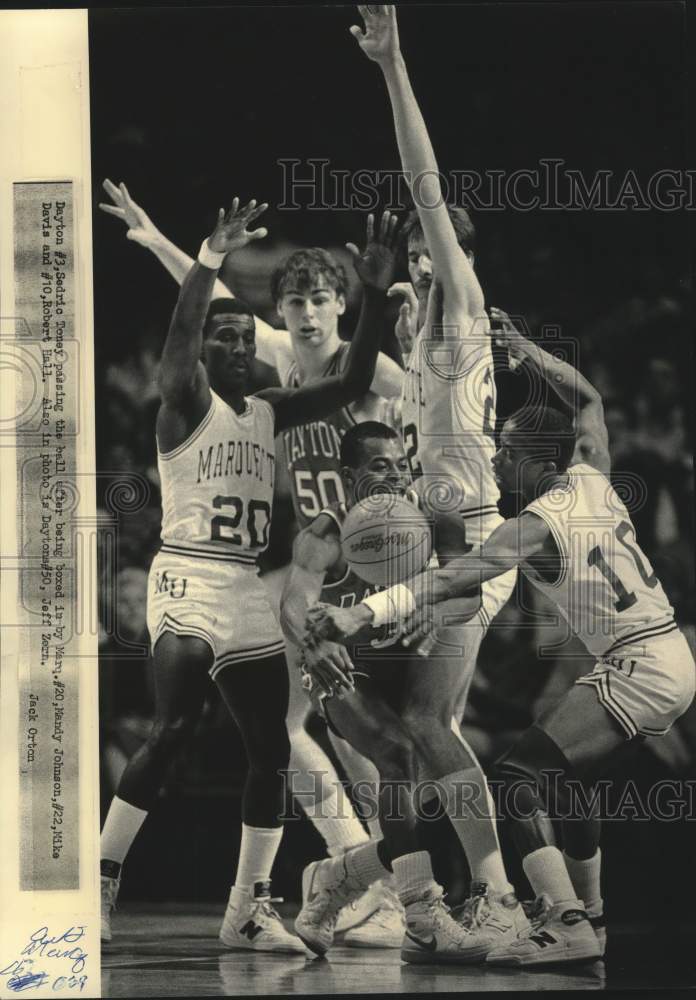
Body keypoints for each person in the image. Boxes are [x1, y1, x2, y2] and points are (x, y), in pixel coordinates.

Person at [99, 181, 405, 940]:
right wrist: (200, 255)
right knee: (175, 730)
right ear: (203, 352)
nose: (240, 345)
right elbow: (192, 320)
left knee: (275, 748)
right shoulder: (184, 398)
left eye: (246, 338)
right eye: (223, 339)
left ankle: (251, 906)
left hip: (267, 581)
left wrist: (374, 294)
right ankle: (100, 885)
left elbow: (356, 379)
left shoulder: (271, 406)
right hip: (189, 576)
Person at [308, 403, 696, 966]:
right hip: (663, 655)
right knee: (566, 786)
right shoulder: (590, 474)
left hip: (637, 663)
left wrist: (362, 614)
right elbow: (589, 403)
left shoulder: (532, 524)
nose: (496, 457)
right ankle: (589, 917)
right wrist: (536, 356)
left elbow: (455, 579)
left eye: (508, 451)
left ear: (539, 462)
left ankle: (558, 917)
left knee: (516, 779)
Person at [340, 2, 522, 938]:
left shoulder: (460, 310)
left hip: (475, 547)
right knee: (397, 728)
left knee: (427, 727)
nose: (418, 257)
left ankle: (493, 898)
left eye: (429, 248)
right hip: (431, 552)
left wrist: (391, 68)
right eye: (414, 252)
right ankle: (397, 894)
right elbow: (335, 369)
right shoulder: (415, 365)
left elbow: (424, 182)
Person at [281, 420, 530, 962]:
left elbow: (467, 596)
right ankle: (420, 912)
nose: (394, 477)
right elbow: (294, 601)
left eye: (400, 464)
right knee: (396, 756)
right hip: (347, 674)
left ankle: (340, 880)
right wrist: (313, 646)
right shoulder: (326, 533)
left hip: (406, 665)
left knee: (421, 770)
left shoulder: (436, 513)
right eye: (378, 466)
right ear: (348, 475)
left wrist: (431, 605)